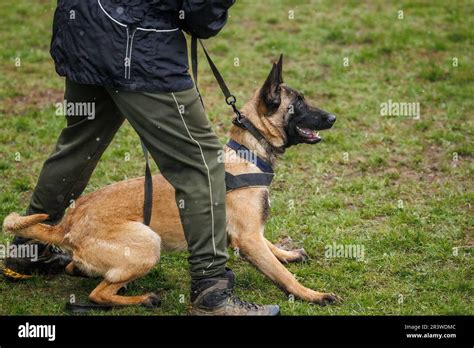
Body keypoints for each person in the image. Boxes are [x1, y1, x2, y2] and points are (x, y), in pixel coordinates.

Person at [3, 0, 279, 316]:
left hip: (81, 28)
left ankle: (29, 251)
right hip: (140, 43)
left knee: (79, 145)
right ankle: (211, 293)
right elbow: (200, 12)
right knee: (201, 162)